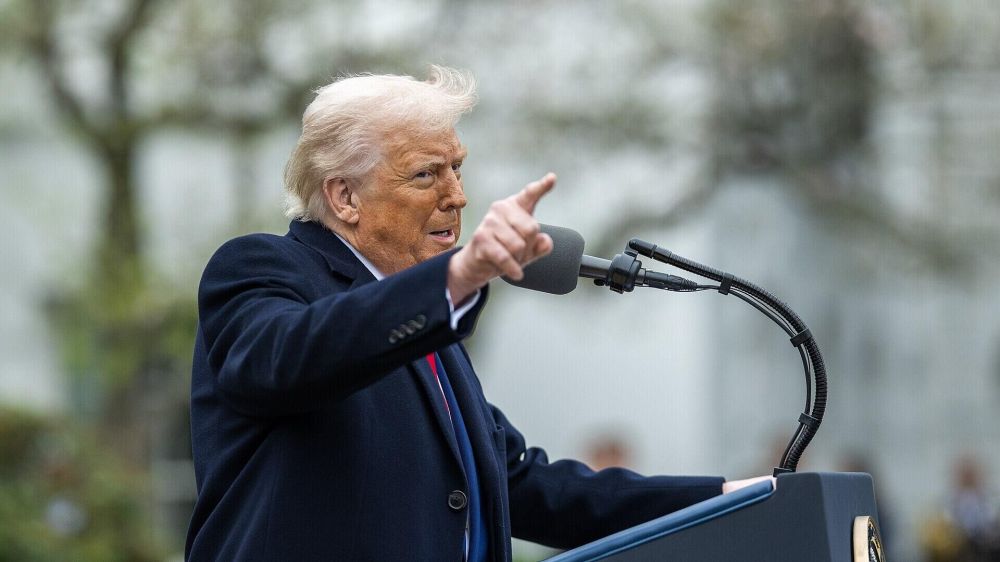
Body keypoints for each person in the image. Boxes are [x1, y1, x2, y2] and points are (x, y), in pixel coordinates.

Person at [185, 66, 771, 561]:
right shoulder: (262, 267)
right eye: (426, 174)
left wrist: (724, 498)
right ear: (345, 197)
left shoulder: (431, 322)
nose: (457, 196)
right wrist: (457, 277)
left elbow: (520, 483)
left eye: (457, 168)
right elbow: (289, 357)